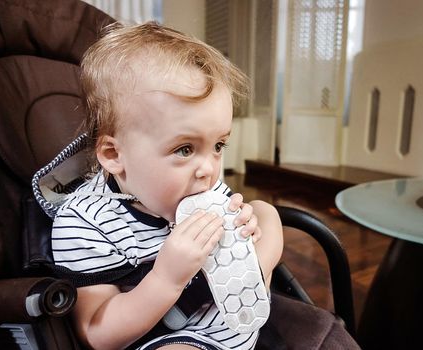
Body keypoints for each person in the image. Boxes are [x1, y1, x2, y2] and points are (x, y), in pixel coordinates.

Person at [50, 21, 284, 350]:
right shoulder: (86, 222)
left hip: (244, 324)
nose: (209, 170)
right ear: (114, 154)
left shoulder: (202, 188)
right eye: (184, 149)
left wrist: (249, 234)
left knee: (267, 210)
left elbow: (254, 219)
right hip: (168, 339)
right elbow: (96, 333)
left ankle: (252, 278)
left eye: (218, 146)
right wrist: (166, 280)